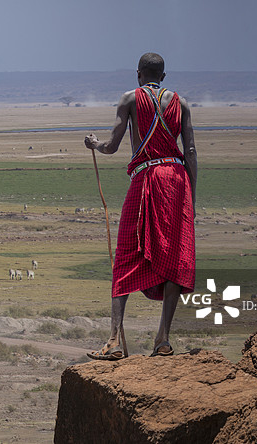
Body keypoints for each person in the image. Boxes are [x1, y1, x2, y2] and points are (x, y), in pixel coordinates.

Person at [84, 52, 197, 360]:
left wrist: (94, 144)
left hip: (147, 177)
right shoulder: (182, 103)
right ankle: (163, 340)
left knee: (125, 255)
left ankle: (115, 340)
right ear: (163, 76)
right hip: (176, 181)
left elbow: (112, 146)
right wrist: (192, 200)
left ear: (138, 74)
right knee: (175, 257)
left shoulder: (129, 99)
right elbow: (190, 151)